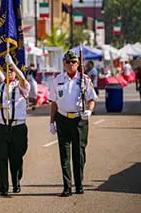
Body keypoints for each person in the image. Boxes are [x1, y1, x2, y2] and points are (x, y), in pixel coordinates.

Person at [49, 50, 98, 197]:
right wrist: (51, 122)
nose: (70, 65)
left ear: (78, 63)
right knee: (64, 155)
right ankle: (67, 186)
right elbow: (53, 102)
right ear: (63, 64)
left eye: (73, 62)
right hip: (62, 119)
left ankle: (79, 184)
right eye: (67, 62)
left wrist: (89, 111)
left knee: (79, 154)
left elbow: (92, 99)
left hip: (79, 120)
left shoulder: (84, 79)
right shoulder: (57, 80)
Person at [0, 54, 30, 196]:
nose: (9, 73)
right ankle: (3, 187)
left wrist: (14, 66)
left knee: (16, 157)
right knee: (1, 157)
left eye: (11, 70)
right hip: (0, 126)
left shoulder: (21, 86)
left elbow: (22, 79)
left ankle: (16, 181)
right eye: (6, 70)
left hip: (17, 127)